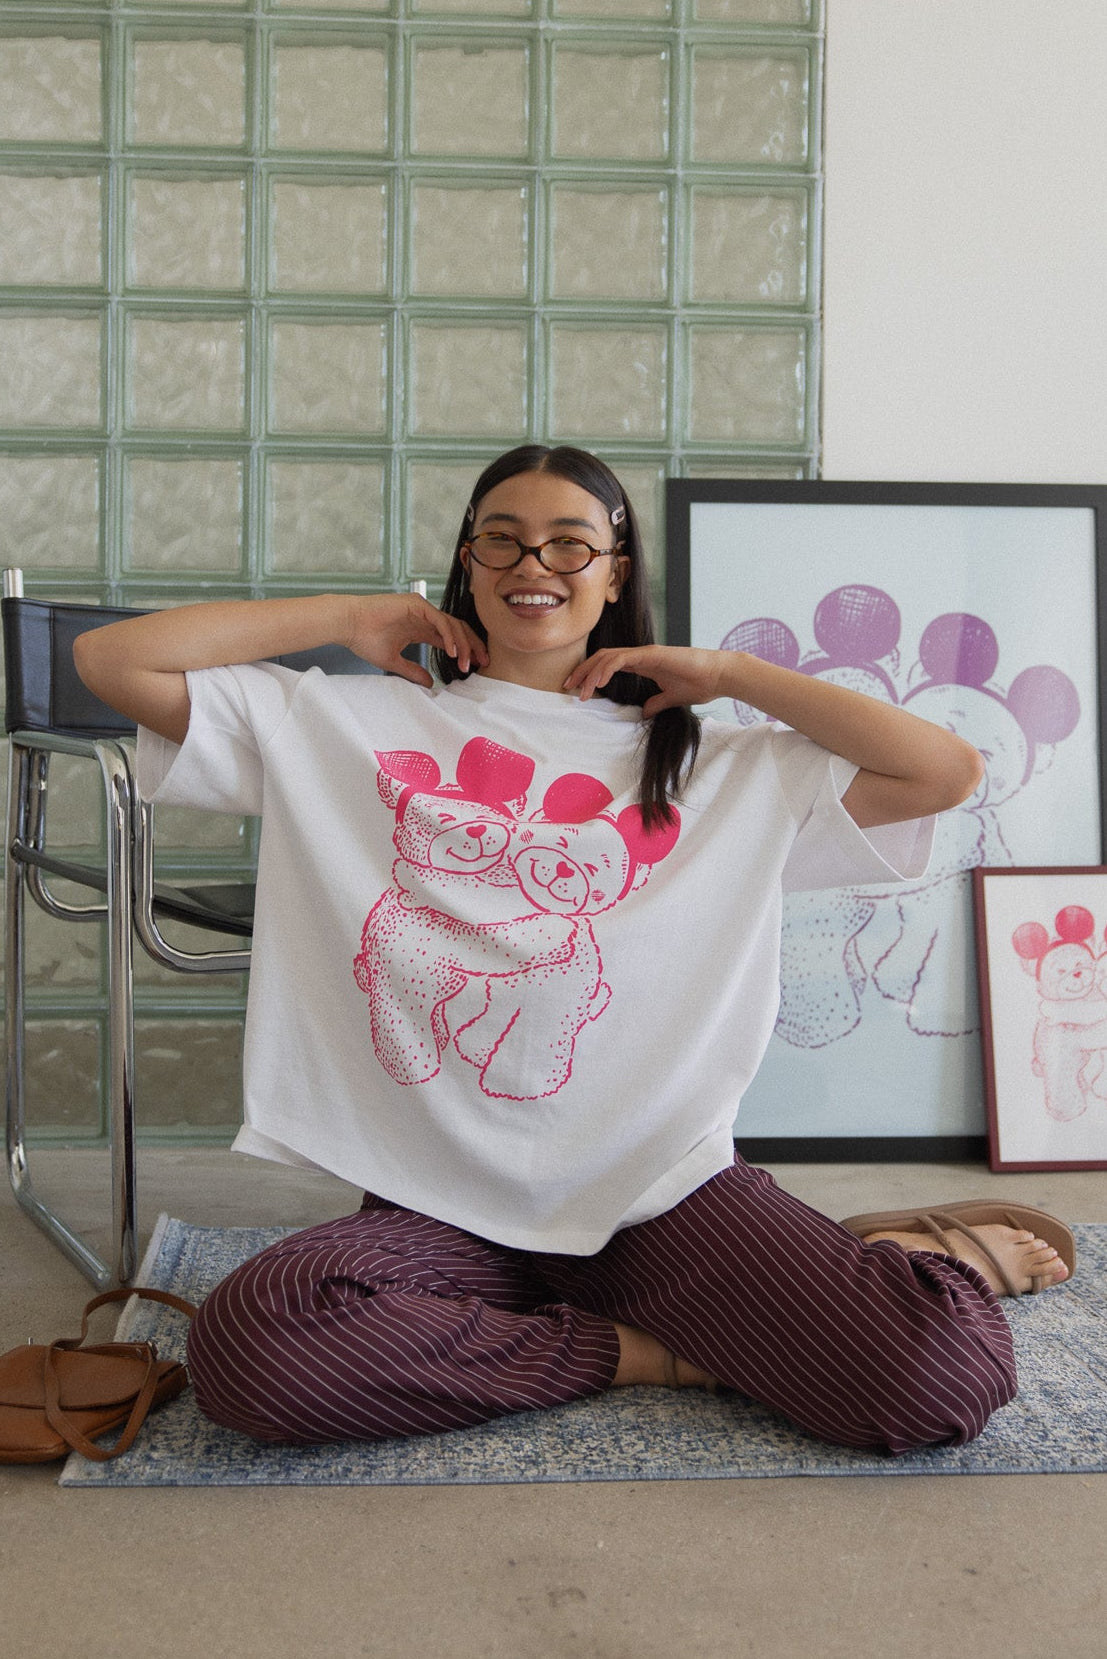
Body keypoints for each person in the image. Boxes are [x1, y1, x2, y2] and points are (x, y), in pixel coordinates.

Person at [74, 444, 1074, 1456]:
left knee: (941, 1378)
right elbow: (112, 661)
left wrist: (730, 673)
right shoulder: (345, 722)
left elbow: (945, 771)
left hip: (658, 1191)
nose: (531, 564)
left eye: (569, 542)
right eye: (499, 539)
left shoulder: (714, 762)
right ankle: (650, 1352)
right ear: (467, 561)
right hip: (439, 1197)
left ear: (616, 572)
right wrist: (346, 617)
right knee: (255, 1350)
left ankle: (904, 1257)